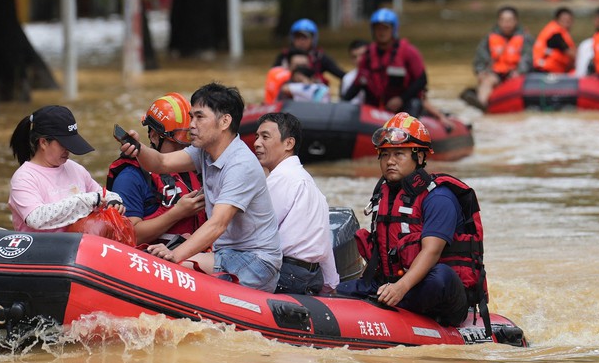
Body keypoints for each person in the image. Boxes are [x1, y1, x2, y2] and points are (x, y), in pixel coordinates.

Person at [118, 82, 282, 292]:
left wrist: (174, 254)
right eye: (191, 117)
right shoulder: (204, 151)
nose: (192, 125)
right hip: (226, 253)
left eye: (199, 117)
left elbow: (217, 224)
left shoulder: (241, 165)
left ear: (224, 121)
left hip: (256, 261)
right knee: (158, 266)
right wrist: (138, 148)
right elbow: (161, 163)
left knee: (167, 269)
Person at [335, 112, 488, 329]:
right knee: (336, 291)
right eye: (385, 155)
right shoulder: (383, 194)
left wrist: (400, 288)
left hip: (437, 292)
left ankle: (386, 303)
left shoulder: (439, 197)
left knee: (440, 277)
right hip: (390, 285)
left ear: (420, 157)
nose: (390, 161)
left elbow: (431, 252)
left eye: (399, 154)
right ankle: (380, 302)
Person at [253, 112, 339, 295]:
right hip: (312, 277)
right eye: (256, 137)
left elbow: (254, 233)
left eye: (265, 137)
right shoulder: (308, 182)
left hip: (285, 274)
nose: (257, 143)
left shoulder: (282, 178)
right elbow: (324, 242)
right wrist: (330, 284)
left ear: (289, 143)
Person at [106, 93, 206, 245]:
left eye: (189, 144)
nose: (184, 151)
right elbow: (129, 236)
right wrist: (177, 213)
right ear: (154, 136)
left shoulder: (195, 166)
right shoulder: (130, 177)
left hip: (196, 250)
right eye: (177, 144)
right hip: (153, 255)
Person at [8, 105, 124, 233]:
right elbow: (35, 218)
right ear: (43, 142)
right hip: (41, 245)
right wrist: (82, 201)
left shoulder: (75, 168)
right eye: (63, 144)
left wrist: (114, 200)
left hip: (81, 242)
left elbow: (101, 194)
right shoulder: (24, 178)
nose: (68, 149)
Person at [342, 8, 427, 116]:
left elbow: (421, 80)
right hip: (377, 105)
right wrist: (341, 104)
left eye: (385, 28)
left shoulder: (408, 52)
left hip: (404, 103)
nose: (381, 32)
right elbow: (358, 83)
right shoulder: (368, 55)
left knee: (414, 103)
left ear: (393, 29)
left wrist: (401, 99)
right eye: (378, 28)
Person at [463, 5, 533, 111]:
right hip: (496, 73)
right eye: (503, 20)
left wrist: (520, 71)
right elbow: (480, 58)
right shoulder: (489, 38)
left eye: (510, 20)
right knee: (487, 81)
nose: (506, 24)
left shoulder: (526, 38)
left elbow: (528, 58)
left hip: (516, 75)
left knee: (515, 82)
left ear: (516, 21)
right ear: (499, 21)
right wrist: (481, 72)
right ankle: (482, 105)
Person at [272, 18, 346, 85]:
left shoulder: (319, 56)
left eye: (305, 38)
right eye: (297, 37)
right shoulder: (285, 56)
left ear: (313, 39)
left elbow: (342, 75)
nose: (301, 41)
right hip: (289, 92)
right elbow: (274, 77)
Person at [533, 7, 576, 73]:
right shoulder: (556, 35)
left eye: (569, 20)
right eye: (564, 20)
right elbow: (571, 53)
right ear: (557, 20)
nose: (567, 23)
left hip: (554, 70)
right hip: (545, 70)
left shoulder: (559, 32)